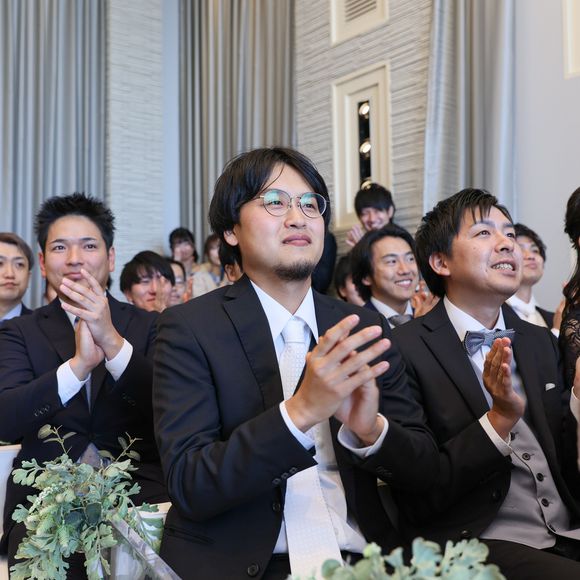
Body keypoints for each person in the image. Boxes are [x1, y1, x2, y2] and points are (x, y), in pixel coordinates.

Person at [152, 147, 437, 580]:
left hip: (364, 560)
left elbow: (425, 471)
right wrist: (300, 412)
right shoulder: (189, 328)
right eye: (274, 202)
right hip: (249, 565)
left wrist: (370, 432)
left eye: (310, 204)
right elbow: (191, 484)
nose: (297, 217)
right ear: (231, 230)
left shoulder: (361, 326)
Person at [393, 188, 580, 579]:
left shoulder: (539, 341)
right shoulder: (403, 349)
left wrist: (578, 399)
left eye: (510, 234)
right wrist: (497, 421)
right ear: (440, 261)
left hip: (569, 531)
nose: (507, 244)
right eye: (484, 233)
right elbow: (419, 488)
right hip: (476, 542)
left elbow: (566, 460)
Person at [0, 193, 167, 574]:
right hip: (42, 505)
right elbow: (5, 419)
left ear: (111, 257)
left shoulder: (151, 326)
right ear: (43, 262)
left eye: (89, 245)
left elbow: (167, 409)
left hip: (144, 495)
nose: (75, 258)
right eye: (60, 247)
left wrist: (112, 343)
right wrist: (76, 369)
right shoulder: (18, 332)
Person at [350, 225, 437, 328]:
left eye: (410, 259)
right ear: (366, 276)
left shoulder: (430, 315)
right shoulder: (356, 326)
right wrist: (417, 328)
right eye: (392, 261)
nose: (405, 270)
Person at [506, 223, 563, 335]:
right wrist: (556, 332)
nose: (531, 256)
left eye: (535, 250)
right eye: (520, 249)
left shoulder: (554, 319)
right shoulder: (494, 314)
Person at [346, 183, 395, 248]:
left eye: (377, 211)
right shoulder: (363, 243)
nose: (372, 219)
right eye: (365, 213)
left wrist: (362, 248)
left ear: (390, 211)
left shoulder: (400, 240)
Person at [0, 233, 34, 322]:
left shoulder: (44, 326)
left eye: (19, 264)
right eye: (0, 263)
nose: (10, 274)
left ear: (29, 277)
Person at [190, 233, 229, 297]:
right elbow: (201, 301)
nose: (218, 251)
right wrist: (224, 282)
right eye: (213, 248)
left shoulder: (231, 273)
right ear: (207, 253)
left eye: (221, 247)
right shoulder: (199, 277)